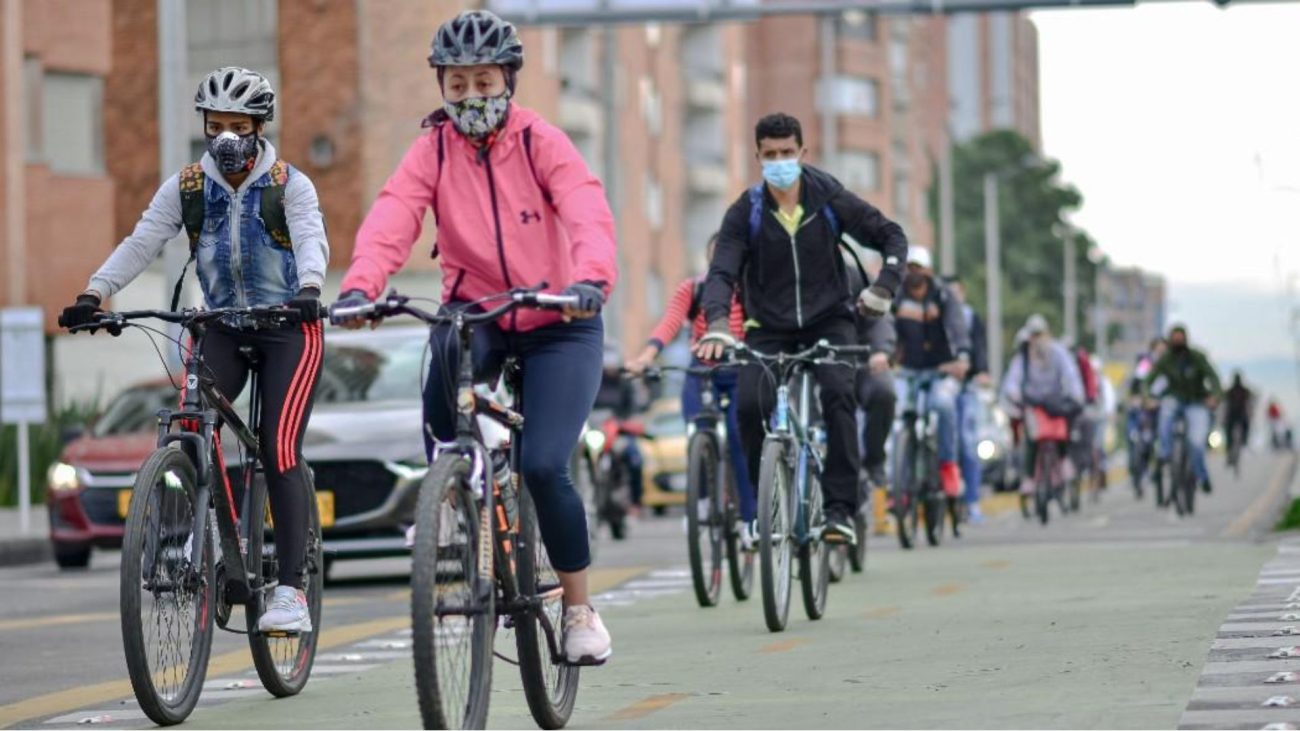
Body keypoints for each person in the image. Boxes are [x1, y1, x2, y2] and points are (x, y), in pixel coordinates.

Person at [330, 10, 617, 665]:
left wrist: (592, 279)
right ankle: (451, 498)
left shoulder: (542, 141)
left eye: (483, 81)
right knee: (441, 387)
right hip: (478, 313)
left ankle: (578, 609)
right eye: (456, 85)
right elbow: (393, 214)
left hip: (560, 320)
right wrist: (361, 287)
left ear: (508, 81)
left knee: (545, 465)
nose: (470, 97)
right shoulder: (430, 149)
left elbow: (585, 207)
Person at [57, 67, 329, 632]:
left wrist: (310, 289)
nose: (226, 138)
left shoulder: (289, 184)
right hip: (222, 325)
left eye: (239, 126)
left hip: (287, 328)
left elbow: (310, 238)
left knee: (278, 447)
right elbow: (143, 241)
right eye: (216, 126)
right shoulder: (186, 187)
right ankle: (192, 541)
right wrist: (95, 292)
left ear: (259, 127)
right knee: (189, 425)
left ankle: (291, 592)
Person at [695, 112, 908, 546]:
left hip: (829, 320)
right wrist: (717, 323)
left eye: (787, 153)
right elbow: (721, 273)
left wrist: (884, 287)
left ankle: (839, 510)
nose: (779, 162)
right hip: (768, 327)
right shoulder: (746, 212)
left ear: (802, 152)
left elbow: (891, 236)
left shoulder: (830, 200)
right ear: (758, 157)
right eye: (770, 155)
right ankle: (765, 500)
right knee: (750, 408)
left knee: (838, 394)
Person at [627, 234, 755, 544]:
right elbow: (669, 323)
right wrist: (645, 358)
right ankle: (701, 502)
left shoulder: (752, 289)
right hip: (701, 371)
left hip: (741, 370)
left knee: (741, 439)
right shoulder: (694, 289)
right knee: (696, 433)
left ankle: (750, 519)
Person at [891, 246, 971, 501]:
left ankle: (948, 465)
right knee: (899, 421)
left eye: (919, 267)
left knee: (944, 405)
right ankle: (901, 485)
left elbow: (958, 329)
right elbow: (884, 328)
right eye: (910, 267)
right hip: (908, 371)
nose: (914, 273)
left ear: (929, 271)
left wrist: (962, 358)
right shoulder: (896, 297)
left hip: (941, 370)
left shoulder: (944, 297)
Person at [999, 314, 1086, 498]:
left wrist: (1076, 396)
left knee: (1064, 431)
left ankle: (1063, 461)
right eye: (1034, 335)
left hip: (1056, 404)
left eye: (1041, 334)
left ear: (1047, 334)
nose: (1038, 340)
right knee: (1031, 437)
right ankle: (1029, 478)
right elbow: (1012, 381)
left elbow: (1070, 375)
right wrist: (1013, 395)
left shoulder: (1058, 352)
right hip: (1033, 404)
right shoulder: (1023, 356)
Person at [842, 248, 897, 530]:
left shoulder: (853, 276)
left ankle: (874, 459)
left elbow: (878, 317)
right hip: (813, 362)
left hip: (857, 358)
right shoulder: (788, 277)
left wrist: (880, 351)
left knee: (884, 391)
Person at [1143, 324, 1221, 496]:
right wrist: (1147, 397)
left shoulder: (1197, 357)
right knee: (1165, 415)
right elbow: (1148, 380)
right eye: (1174, 338)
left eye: (1180, 338)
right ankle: (1165, 454)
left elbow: (1213, 378)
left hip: (1196, 402)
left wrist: (1215, 396)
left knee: (1196, 442)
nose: (1177, 341)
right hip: (1174, 400)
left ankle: (1201, 477)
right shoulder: (1165, 360)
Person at [947, 276, 990, 522]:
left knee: (967, 442)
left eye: (957, 294)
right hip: (939, 382)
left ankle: (972, 501)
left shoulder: (971, 317)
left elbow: (979, 348)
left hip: (965, 387)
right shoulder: (936, 312)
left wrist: (981, 371)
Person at [593, 346, 646, 517]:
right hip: (596, 432)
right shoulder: (593, 381)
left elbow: (634, 411)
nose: (609, 368)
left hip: (620, 433)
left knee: (635, 458)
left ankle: (636, 501)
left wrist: (626, 424)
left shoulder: (626, 384)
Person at [1223, 371, 1254, 457]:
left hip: (1237, 414)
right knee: (1233, 429)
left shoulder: (1234, 390)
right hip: (1237, 414)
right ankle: (1239, 444)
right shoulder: (1242, 390)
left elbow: (1250, 402)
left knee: (1233, 429)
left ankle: (1239, 444)